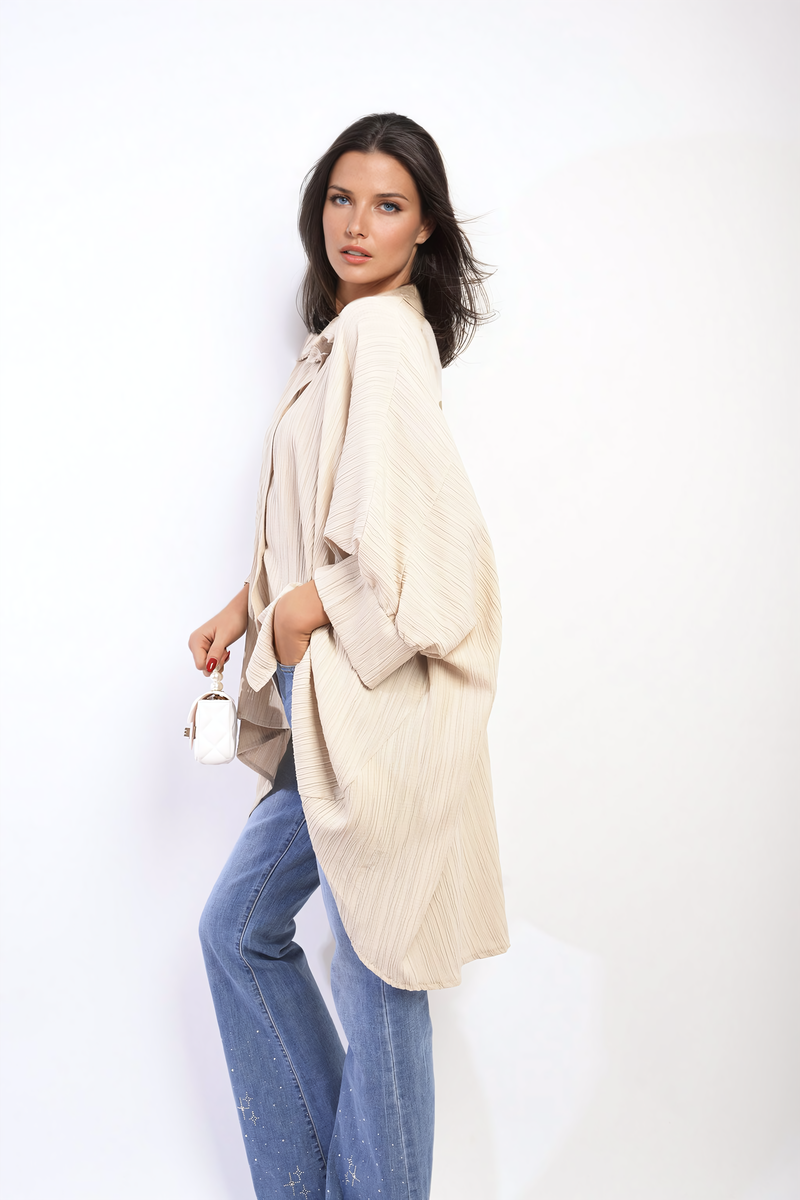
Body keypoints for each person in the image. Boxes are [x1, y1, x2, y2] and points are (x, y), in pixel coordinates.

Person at [189, 112, 509, 1200]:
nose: (356, 224)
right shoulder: (343, 338)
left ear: (424, 229)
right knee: (241, 931)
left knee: (374, 973)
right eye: (341, 198)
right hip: (325, 699)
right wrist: (249, 608)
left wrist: (306, 606)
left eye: (387, 205)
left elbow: (435, 555)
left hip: (370, 703)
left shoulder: (380, 337)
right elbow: (327, 521)